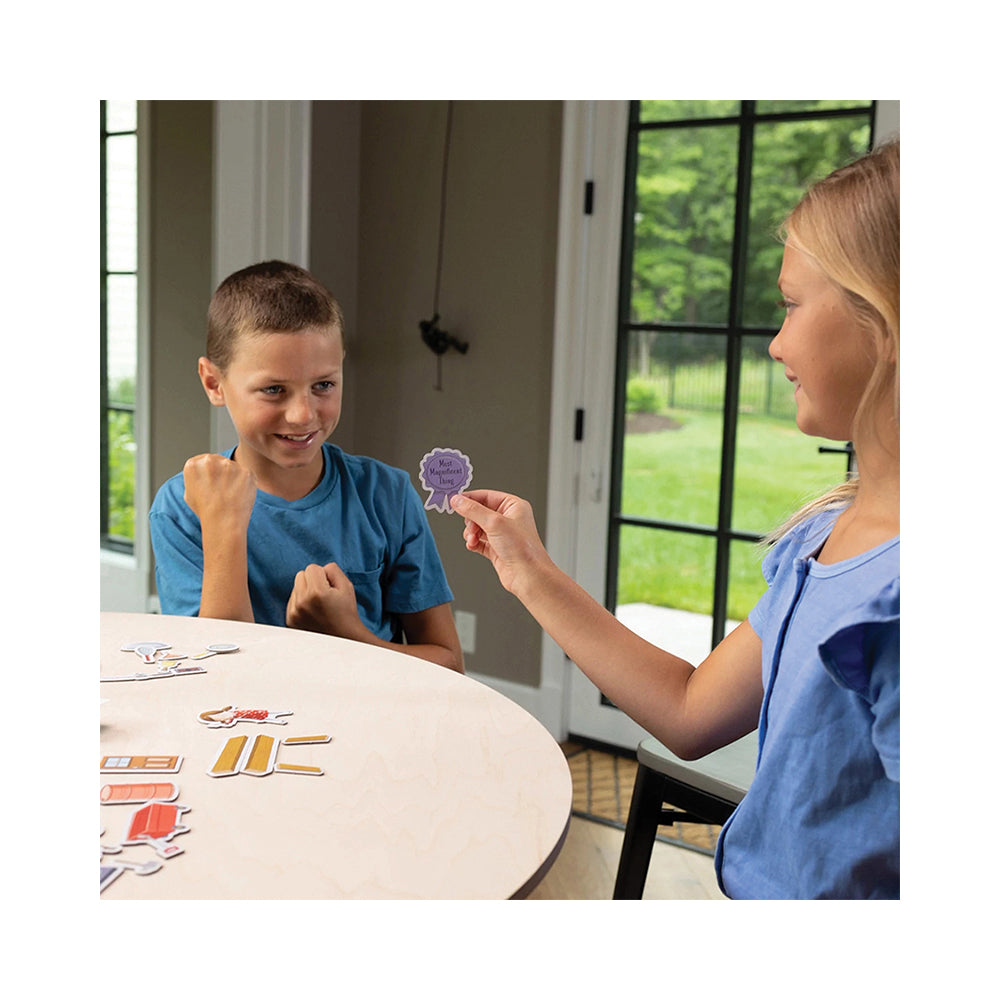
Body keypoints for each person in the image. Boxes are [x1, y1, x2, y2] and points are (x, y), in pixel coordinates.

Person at [451, 140, 899, 898]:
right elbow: (691, 712)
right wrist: (528, 571)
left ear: (887, 316)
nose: (775, 343)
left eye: (791, 305)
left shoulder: (905, 601)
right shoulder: (823, 538)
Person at [149, 260, 464, 673]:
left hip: (369, 713)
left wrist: (349, 635)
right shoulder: (183, 506)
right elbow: (217, 675)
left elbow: (449, 665)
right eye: (273, 389)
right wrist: (224, 527)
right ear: (214, 383)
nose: (302, 415)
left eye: (323, 385)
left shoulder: (386, 495)